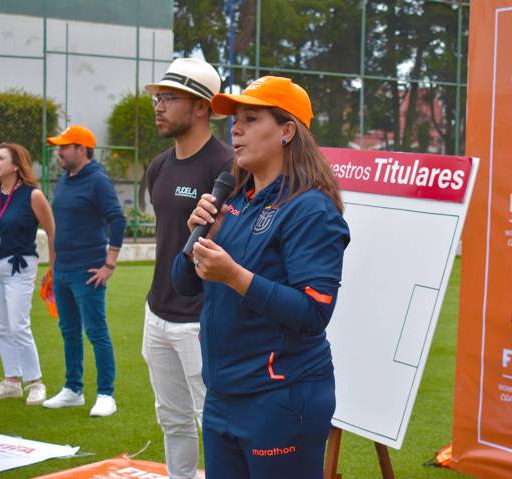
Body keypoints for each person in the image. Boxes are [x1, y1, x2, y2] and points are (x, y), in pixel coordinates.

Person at [172, 76, 350, 479]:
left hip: (281, 398)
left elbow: (313, 312)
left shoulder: (312, 210)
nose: (235, 129)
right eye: (235, 120)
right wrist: (195, 237)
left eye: (251, 119)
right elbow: (184, 285)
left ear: (287, 131)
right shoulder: (232, 198)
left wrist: (235, 276)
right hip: (222, 395)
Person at [142, 58, 233, 479]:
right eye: (158, 98)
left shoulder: (229, 168)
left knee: (211, 422)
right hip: (156, 313)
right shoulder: (158, 166)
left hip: (201, 321)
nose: (158, 106)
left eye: (169, 98)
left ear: (201, 107)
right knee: (172, 419)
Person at [42, 125, 126, 417]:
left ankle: (106, 394)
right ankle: (73, 389)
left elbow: (117, 220)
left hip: (87, 271)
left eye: (65, 147)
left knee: (96, 332)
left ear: (82, 149)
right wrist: (52, 267)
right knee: (68, 332)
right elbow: (58, 226)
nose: (59, 152)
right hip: (63, 270)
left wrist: (109, 263)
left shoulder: (98, 181)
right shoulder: (65, 180)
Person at [0, 143, 55, 405]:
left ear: (15, 165)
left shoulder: (33, 195)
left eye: (1, 158)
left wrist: (52, 265)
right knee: (1, 326)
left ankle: (35, 382)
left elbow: (51, 229)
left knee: (18, 325)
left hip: (19, 266)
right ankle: (11, 380)